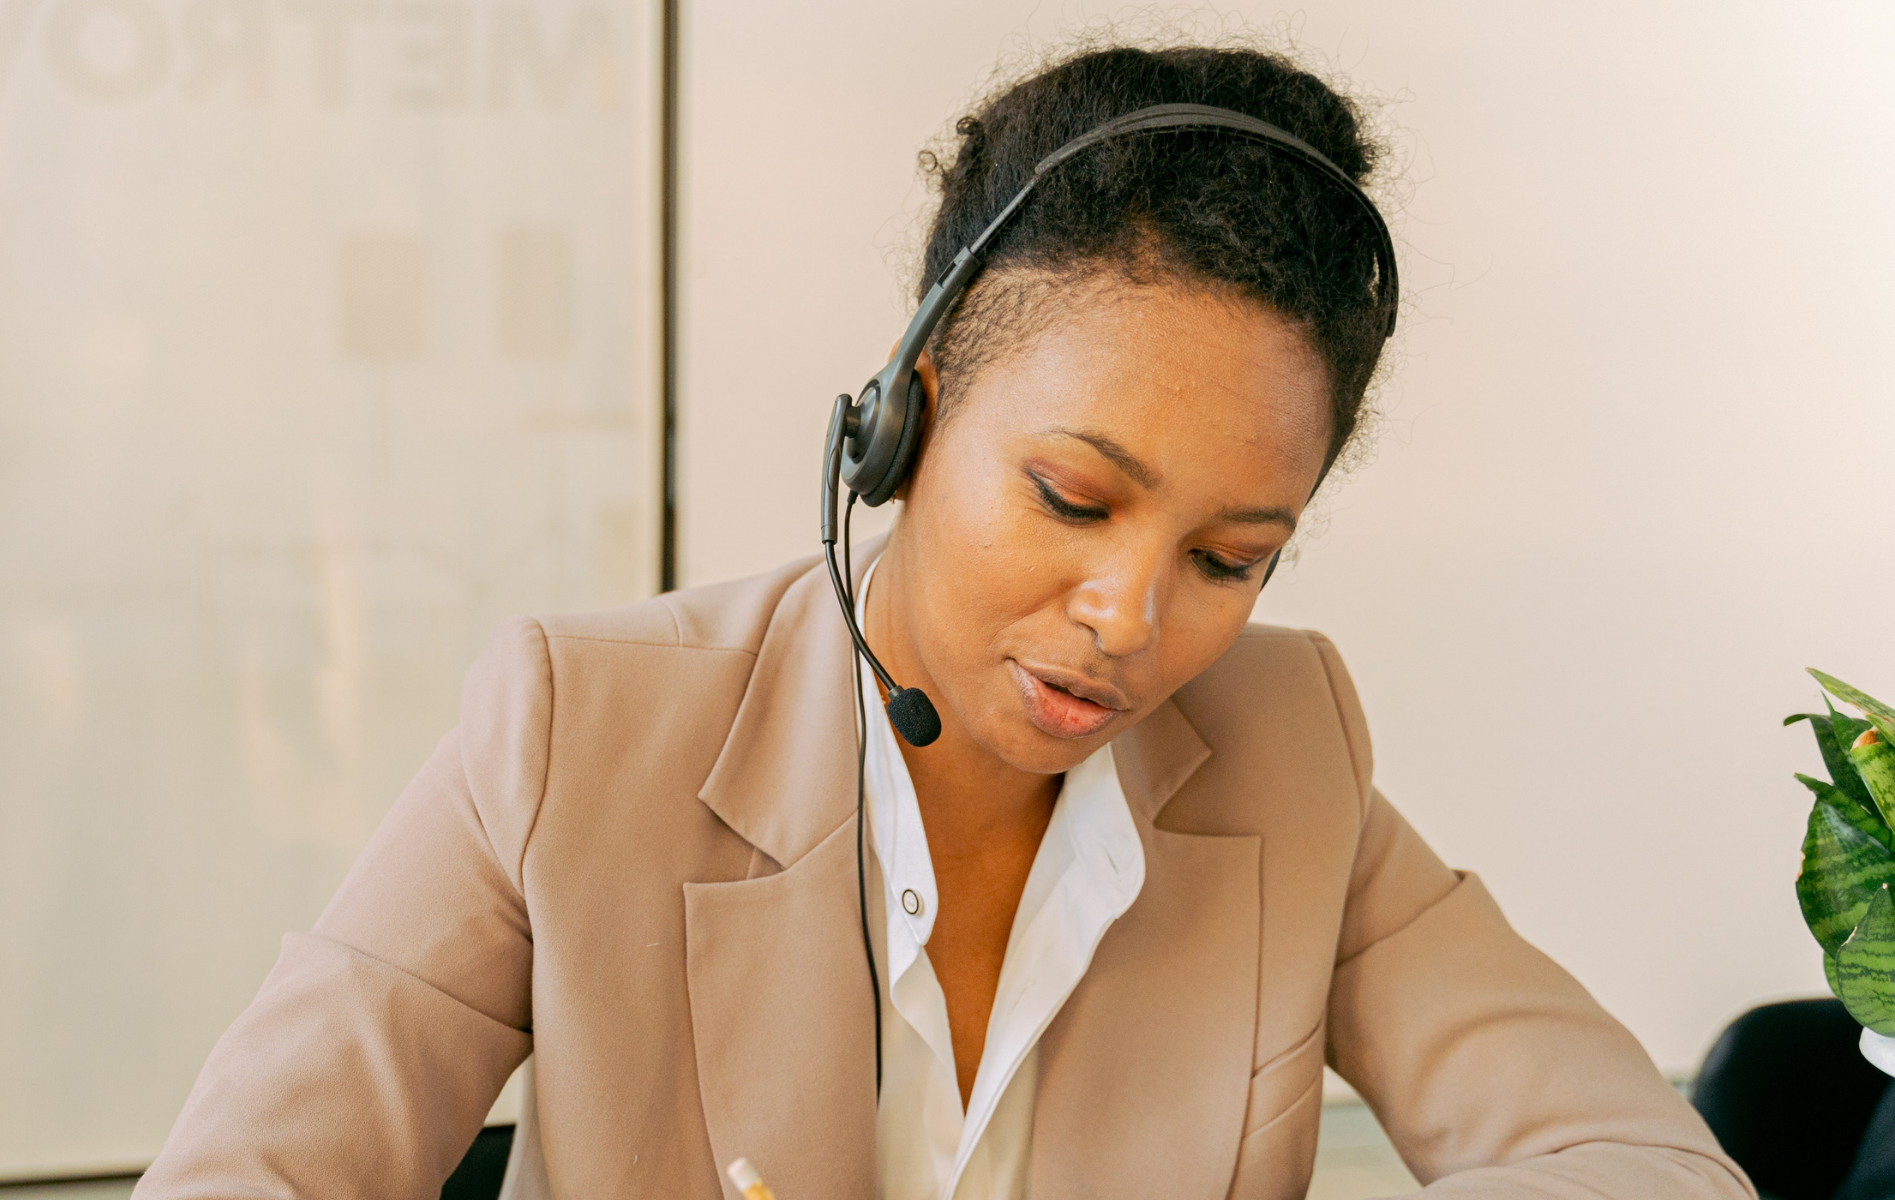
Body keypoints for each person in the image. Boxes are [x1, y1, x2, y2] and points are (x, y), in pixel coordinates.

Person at [133, 44, 1754, 1200]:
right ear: (906, 424)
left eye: (1232, 556)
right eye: (1072, 496)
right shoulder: (581, 727)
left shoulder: (1288, 755)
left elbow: (1641, 1161)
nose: (1129, 619)